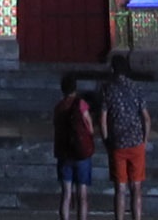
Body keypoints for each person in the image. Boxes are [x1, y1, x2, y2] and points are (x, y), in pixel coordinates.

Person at [99, 60, 151, 220]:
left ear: (113, 69)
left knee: (120, 189)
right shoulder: (136, 87)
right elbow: (146, 119)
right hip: (136, 142)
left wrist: (106, 139)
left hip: (117, 143)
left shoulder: (107, 88)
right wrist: (145, 139)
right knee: (136, 187)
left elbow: (102, 118)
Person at [49, 73, 99, 220]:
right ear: (75, 88)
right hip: (81, 152)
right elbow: (89, 128)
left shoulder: (58, 107)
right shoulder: (81, 105)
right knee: (82, 194)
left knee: (66, 194)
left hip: (64, 153)